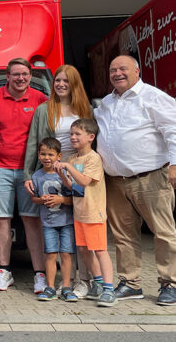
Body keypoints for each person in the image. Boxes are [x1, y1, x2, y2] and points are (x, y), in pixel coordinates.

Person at [94, 55, 176, 306]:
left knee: (163, 233)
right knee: (123, 235)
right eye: (112, 70)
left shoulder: (153, 96)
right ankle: (131, 283)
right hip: (116, 181)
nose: (117, 73)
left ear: (137, 71)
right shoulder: (107, 102)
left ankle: (170, 283)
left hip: (150, 177)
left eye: (123, 69)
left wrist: (175, 164)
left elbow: (173, 129)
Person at [24, 64, 93, 298]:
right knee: (56, 222)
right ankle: (57, 282)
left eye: (66, 81)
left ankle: (82, 280)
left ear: (74, 84)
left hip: (78, 168)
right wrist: (28, 175)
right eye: (57, 81)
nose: (61, 84)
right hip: (51, 170)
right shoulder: (44, 109)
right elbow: (34, 143)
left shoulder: (85, 108)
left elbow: (93, 141)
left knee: (81, 226)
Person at [0, 57, 48, 293]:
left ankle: (39, 274)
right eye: (16, 74)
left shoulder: (40, 99)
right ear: (7, 76)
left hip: (30, 170)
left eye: (25, 74)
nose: (21, 78)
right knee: (0, 218)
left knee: (32, 220)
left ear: (30, 76)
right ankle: (4, 272)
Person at [54, 118, 116, 307]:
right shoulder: (73, 158)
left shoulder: (93, 158)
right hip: (79, 213)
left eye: (77, 134)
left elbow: (85, 182)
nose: (72, 137)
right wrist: (61, 173)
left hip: (93, 213)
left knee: (100, 250)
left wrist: (68, 167)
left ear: (90, 137)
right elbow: (73, 186)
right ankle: (97, 282)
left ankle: (109, 289)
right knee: (83, 249)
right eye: (71, 134)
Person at [31, 138, 76, 302]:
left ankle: (66, 287)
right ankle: (49, 287)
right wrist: (40, 199)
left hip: (66, 222)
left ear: (59, 156)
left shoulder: (64, 174)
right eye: (43, 154)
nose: (46, 157)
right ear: (38, 155)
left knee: (66, 254)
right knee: (50, 254)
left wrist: (61, 200)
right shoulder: (36, 176)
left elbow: (74, 199)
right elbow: (34, 199)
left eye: (50, 154)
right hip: (48, 223)